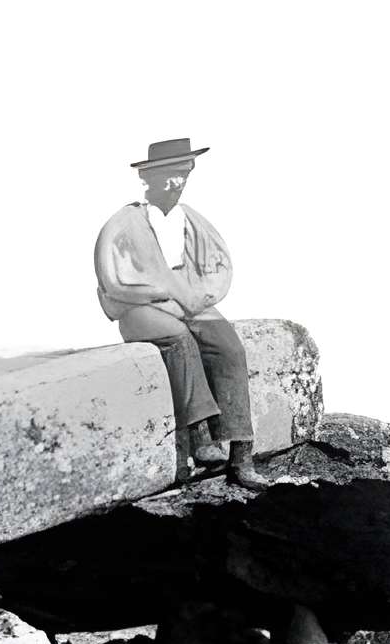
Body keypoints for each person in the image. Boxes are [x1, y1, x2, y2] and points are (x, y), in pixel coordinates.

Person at [93, 138, 270, 491]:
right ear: (149, 178)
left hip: (189, 303)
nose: (177, 183)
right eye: (169, 176)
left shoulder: (192, 220)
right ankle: (201, 437)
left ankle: (241, 456)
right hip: (141, 309)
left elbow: (217, 269)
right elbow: (114, 283)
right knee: (179, 339)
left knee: (229, 348)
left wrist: (197, 295)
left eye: (182, 174)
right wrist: (162, 294)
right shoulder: (124, 223)